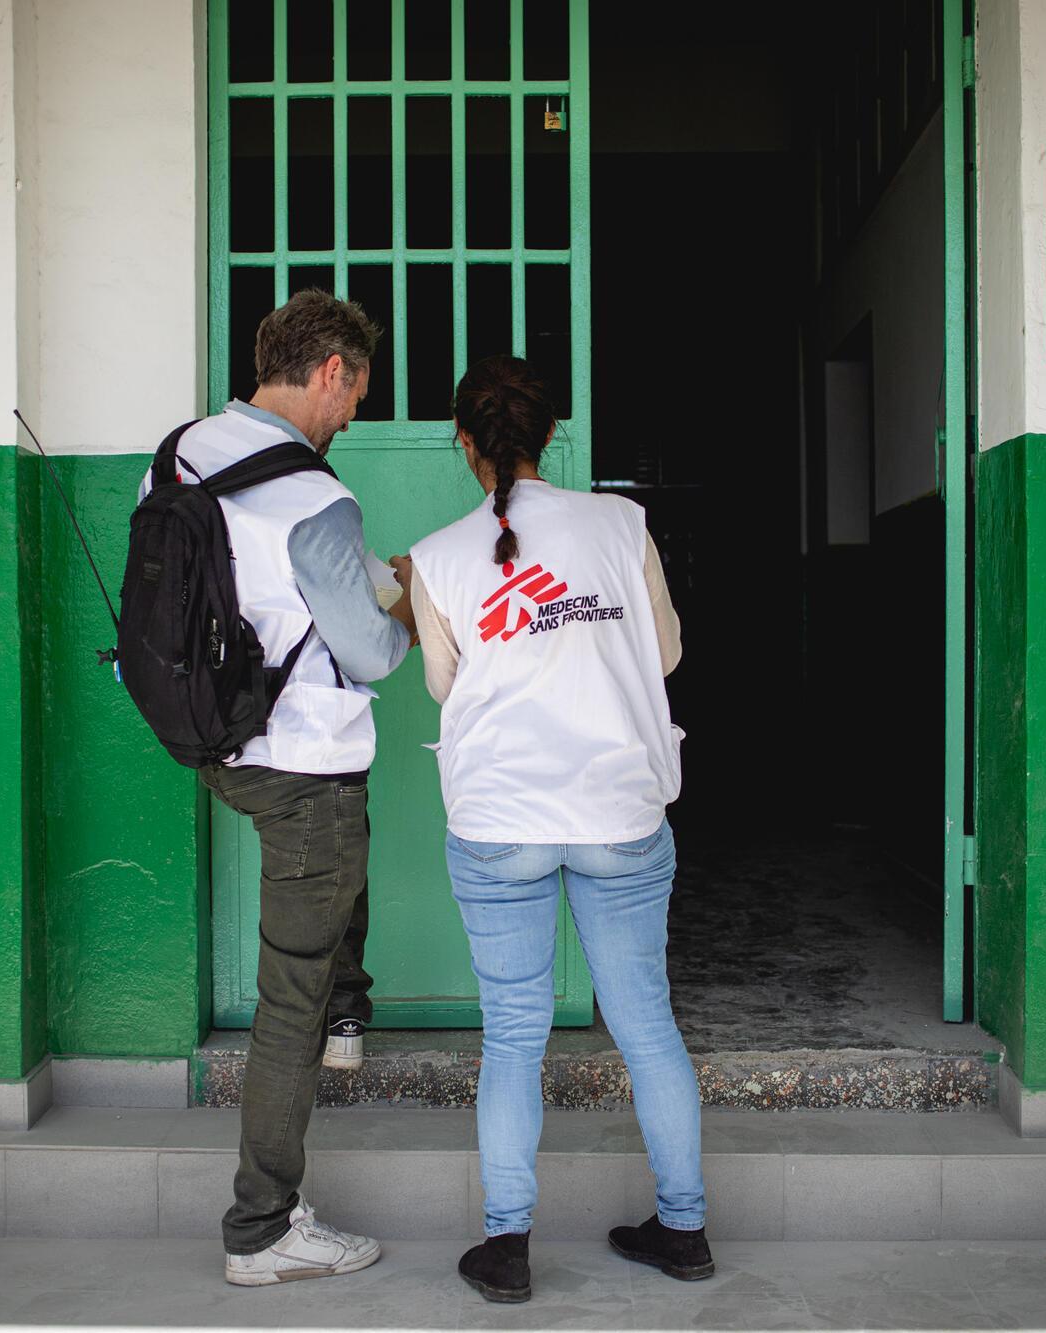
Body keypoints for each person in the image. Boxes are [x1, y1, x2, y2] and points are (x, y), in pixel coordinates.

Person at [399, 355, 707, 1305]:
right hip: (619, 811)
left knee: (513, 1035)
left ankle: (507, 1245)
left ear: (465, 443)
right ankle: (685, 1228)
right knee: (646, 1023)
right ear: (549, 435)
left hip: (501, 822)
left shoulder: (438, 555)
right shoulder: (621, 524)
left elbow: (446, 686)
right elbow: (666, 652)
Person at [142, 290, 417, 1286]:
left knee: (324, 914)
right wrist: (412, 608)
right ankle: (261, 1226)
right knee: (284, 1002)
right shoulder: (314, 497)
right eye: (356, 396)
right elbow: (370, 653)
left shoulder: (176, 453)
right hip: (304, 764)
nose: (352, 418)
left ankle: (346, 1008)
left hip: (221, 742)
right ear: (332, 371)